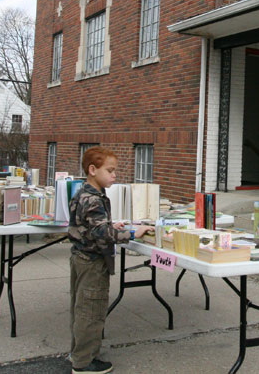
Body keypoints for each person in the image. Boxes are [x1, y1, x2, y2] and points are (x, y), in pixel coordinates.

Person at [68, 146, 153, 374]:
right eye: (110, 170)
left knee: (80, 308)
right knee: (91, 311)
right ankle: (84, 363)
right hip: (93, 262)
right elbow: (101, 234)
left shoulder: (84, 193)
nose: (115, 175)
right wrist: (133, 233)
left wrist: (108, 225)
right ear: (93, 170)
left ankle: (78, 352)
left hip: (80, 257)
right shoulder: (94, 200)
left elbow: (88, 225)